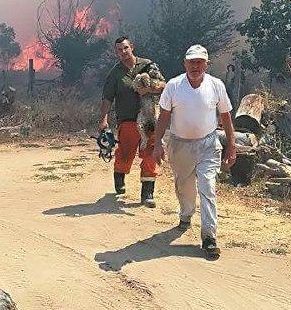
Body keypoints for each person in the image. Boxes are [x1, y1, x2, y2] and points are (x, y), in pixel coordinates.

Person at [152, 44, 236, 259]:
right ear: (185, 64)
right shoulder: (173, 86)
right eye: (191, 62)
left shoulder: (216, 85)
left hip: (208, 144)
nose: (195, 66)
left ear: (206, 65)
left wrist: (232, 145)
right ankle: (186, 214)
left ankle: (209, 237)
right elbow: (163, 116)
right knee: (184, 186)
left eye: (199, 62)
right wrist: (157, 143)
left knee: (208, 187)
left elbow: (225, 116)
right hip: (180, 145)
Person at [99, 36, 165, 207]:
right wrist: (103, 119)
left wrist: (149, 89)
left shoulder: (148, 66)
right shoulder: (115, 73)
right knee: (125, 153)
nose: (123, 52)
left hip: (149, 117)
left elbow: (164, 85)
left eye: (125, 48)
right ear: (116, 52)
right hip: (127, 118)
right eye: (119, 50)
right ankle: (119, 176)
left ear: (132, 47)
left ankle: (147, 192)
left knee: (150, 153)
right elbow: (107, 97)